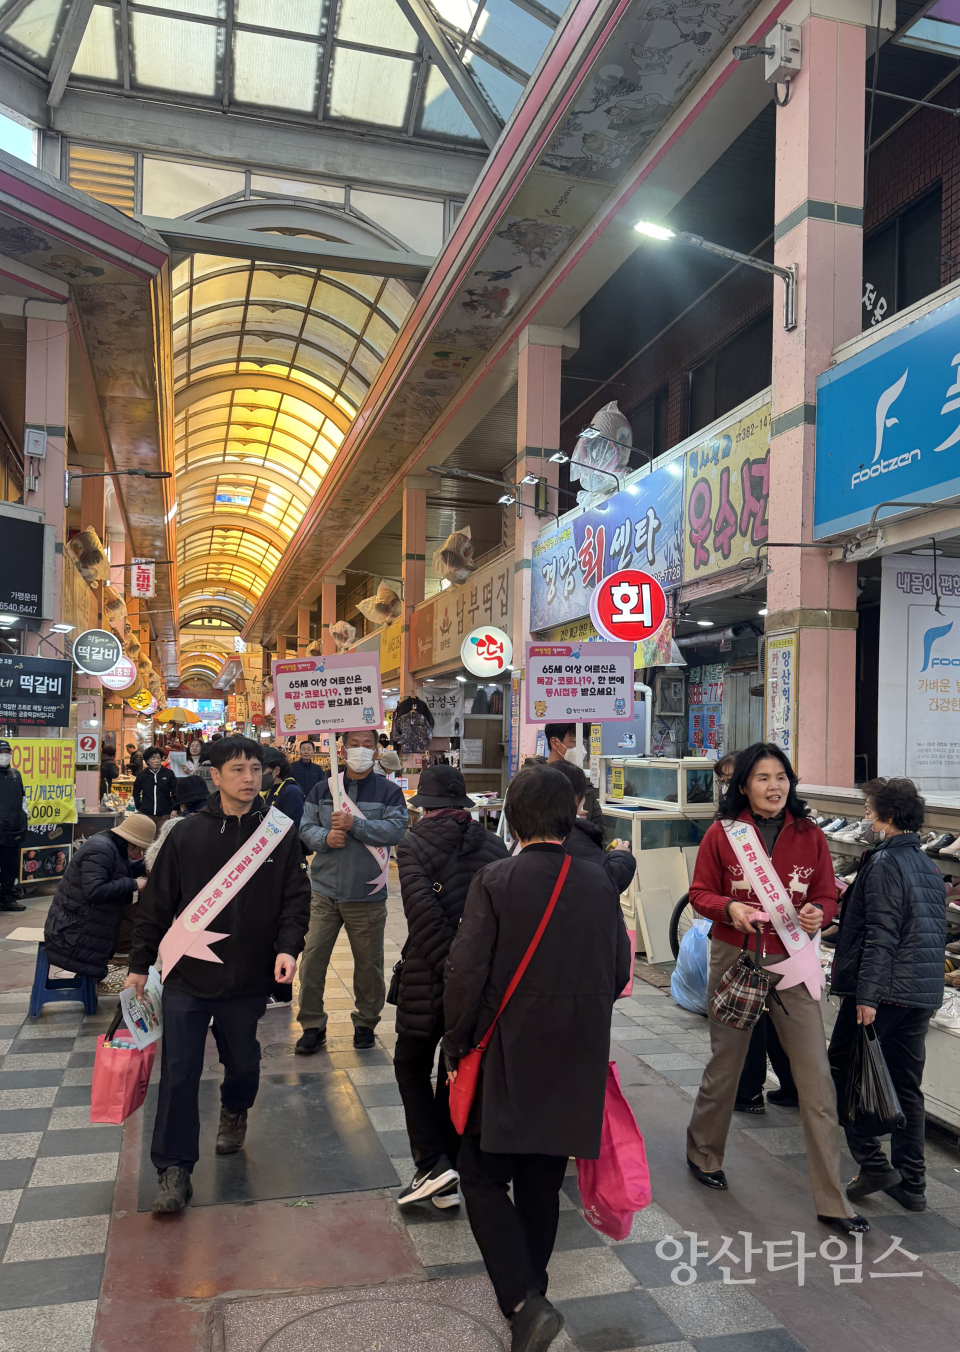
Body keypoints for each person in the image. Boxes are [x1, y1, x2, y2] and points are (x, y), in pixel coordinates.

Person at [444, 765, 630, 1350]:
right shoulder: (600, 882)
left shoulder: (496, 879)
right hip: (577, 1048)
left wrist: (455, 1043)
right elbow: (621, 968)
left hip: (506, 1047)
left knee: (478, 1175)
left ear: (514, 817)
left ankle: (526, 1301)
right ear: (569, 814)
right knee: (542, 1181)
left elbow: (467, 970)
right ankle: (534, 1300)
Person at [685, 742, 867, 1235]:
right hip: (735, 956)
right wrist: (730, 909)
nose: (775, 787)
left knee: (815, 1078)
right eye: (763, 778)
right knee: (727, 1064)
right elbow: (700, 892)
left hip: (794, 959)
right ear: (743, 785)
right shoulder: (724, 836)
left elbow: (828, 893)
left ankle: (833, 1201)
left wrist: (819, 914)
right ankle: (703, 1153)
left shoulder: (810, 835)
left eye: (782, 777)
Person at [126, 736, 311, 1215]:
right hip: (188, 977)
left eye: (255, 769)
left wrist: (289, 946)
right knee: (180, 1072)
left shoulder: (278, 832)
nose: (249, 778)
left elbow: (296, 897)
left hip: (248, 979)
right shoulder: (186, 835)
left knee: (243, 1062)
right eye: (238, 770)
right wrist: (137, 967)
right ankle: (174, 1170)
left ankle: (235, 1108)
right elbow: (156, 904)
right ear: (215, 775)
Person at [828, 777, 946, 1212]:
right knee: (906, 1085)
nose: (864, 813)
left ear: (888, 816)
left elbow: (882, 933)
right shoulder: (928, 865)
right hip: (921, 992)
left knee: (843, 1069)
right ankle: (912, 1183)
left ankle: (873, 1162)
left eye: (869, 807)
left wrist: (867, 996)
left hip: (885, 991)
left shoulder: (883, 863)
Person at [394, 766, 508, 1209]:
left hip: (429, 976)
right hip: (481, 978)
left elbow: (422, 919)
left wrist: (450, 971)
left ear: (425, 805)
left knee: (410, 1065)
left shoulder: (413, 844)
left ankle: (432, 1163)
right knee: (453, 1065)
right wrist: (470, 973)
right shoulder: (493, 844)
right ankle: (447, 1167)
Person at [296, 729, 408, 1053]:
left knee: (369, 965)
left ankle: (365, 1022)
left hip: (367, 894)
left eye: (367, 745)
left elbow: (396, 829)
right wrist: (323, 838)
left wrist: (354, 825)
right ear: (341, 750)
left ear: (376, 751)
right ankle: (312, 1025)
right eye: (354, 745)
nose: (360, 750)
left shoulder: (389, 792)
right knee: (313, 959)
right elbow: (304, 826)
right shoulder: (322, 789)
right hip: (324, 890)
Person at [43, 815, 155, 978]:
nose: (138, 853)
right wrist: (134, 884)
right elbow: (94, 890)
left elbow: (120, 869)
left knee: (147, 923)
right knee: (147, 935)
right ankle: (137, 982)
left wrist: (144, 867)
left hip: (86, 918)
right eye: (137, 848)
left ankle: (137, 979)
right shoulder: (100, 849)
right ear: (127, 840)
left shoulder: (113, 846)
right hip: (74, 930)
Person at [551, 761, 636, 894]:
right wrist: (621, 855)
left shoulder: (535, 827)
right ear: (574, 797)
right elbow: (606, 880)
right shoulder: (572, 834)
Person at [529, 723, 603, 829]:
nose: (581, 749)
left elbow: (599, 827)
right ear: (554, 743)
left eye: (583, 743)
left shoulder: (584, 784)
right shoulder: (533, 781)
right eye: (574, 742)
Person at [0, 740, 27, 912]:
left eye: (7, 752)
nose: (4, 756)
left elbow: (23, 799)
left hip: (12, 829)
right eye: (2, 752)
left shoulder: (15, 774)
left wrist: (24, 815)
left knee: (10, 867)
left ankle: (7, 899)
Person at [261, 748, 305, 830]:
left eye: (260, 770)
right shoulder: (264, 793)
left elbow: (296, 828)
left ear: (276, 771)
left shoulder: (292, 791)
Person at [133, 746, 177, 826]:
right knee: (147, 837)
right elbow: (136, 791)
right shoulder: (142, 775)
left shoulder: (168, 773)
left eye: (158, 758)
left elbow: (175, 792)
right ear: (147, 761)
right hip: (146, 814)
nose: (156, 761)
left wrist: (174, 808)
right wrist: (138, 807)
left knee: (161, 836)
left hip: (164, 814)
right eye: (153, 759)